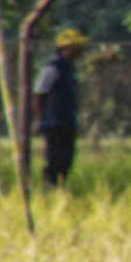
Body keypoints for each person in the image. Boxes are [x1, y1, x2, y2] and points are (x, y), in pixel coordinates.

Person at [37, 31, 83, 188]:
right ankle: (48, 188)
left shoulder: (70, 68)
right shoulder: (52, 68)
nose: (81, 48)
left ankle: (60, 188)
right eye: (77, 45)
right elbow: (39, 93)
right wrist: (40, 118)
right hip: (54, 122)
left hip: (67, 121)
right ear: (66, 47)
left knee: (67, 159)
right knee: (53, 159)